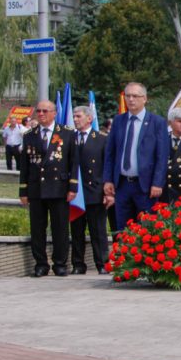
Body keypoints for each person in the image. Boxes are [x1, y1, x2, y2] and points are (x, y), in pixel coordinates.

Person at [19, 100, 78, 277]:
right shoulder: (29, 134)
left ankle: (60, 263)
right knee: (37, 228)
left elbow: (73, 162)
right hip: (36, 188)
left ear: (54, 113)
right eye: (39, 111)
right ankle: (41, 264)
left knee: (60, 227)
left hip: (59, 187)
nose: (41, 114)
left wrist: (72, 187)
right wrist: (23, 190)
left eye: (45, 111)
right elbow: (24, 165)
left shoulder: (67, 134)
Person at [103, 82, 169, 233]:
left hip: (145, 185)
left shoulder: (156, 122)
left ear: (144, 98)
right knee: (123, 229)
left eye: (135, 96)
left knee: (147, 229)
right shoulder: (119, 121)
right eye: (128, 96)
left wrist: (157, 183)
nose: (131, 99)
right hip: (122, 184)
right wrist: (108, 179)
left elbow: (162, 156)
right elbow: (110, 153)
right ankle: (124, 256)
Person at [69, 106, 109, 275]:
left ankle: (102, 263)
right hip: (75, 192)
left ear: (89, 119)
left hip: (95, 190)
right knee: (76, 231)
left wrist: (107, 191)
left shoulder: (101, 139)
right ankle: (78, 264)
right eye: (74, 116)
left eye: (78, 116)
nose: (75, 119)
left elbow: (107, 166)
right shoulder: (70, 138)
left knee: (98, 230)